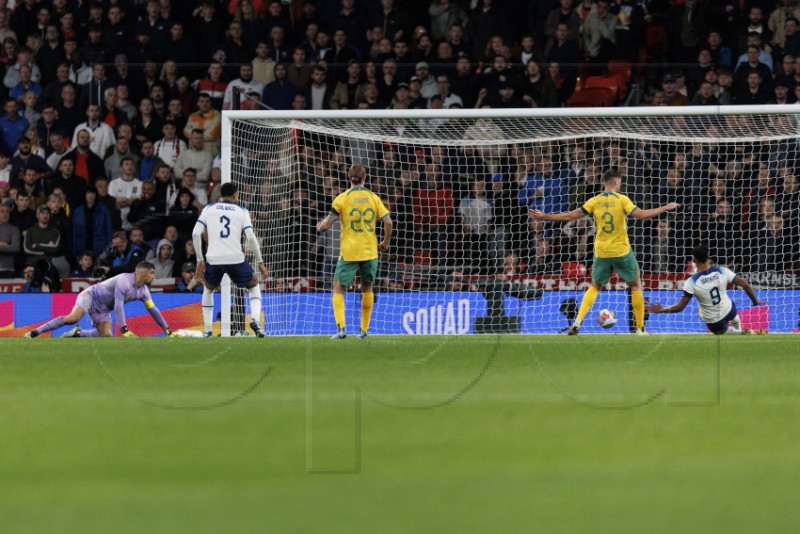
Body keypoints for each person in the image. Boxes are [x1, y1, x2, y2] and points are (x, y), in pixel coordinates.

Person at [530, 169, 679, 335]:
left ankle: (577, 323)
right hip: (621, 250)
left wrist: (545, 217)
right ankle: (640, 329)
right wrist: (667, 207)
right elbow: (642, 215)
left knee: (595, 286)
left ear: (604, 182)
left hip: (601, 252)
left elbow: (570, 216)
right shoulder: (622, 200)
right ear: (616, 182)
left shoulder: (594, 201)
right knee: (636, 284)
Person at [316, 164, 393, 340]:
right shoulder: (373, 197)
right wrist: (385, 243)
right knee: (367, 287)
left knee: (338, 288)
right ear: (364, 178)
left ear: (349, 177)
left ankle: (342, 329)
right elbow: (388, 222)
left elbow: (326, 225)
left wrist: (319, 227)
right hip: (369, 251)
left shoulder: (342, 198)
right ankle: (364, 331)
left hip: (350, 252)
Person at [192, 182, 268, 338]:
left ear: (220, 195)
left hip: (213, 258)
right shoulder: (242, 211)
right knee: (253, 286)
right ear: (235, 195)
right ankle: (254, 320)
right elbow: (251, 237)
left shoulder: (208, 209)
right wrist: (260, 262)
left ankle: (207, 330)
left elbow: (195, 233)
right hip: (235, 258)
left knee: (208, 289)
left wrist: (200, 259)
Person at [25, 261, 177, 338]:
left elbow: (153, 310)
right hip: (91, 296)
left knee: (107, 336)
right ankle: (35, 332)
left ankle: (78, 334)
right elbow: (118, 306)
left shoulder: (144, 292)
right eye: (151, 273)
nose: (153, 276)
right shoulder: (124, 280)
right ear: (142, 273)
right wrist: (124, 329)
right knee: (73, 318)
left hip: (103, 307)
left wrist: (167, 330)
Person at [647, 245, 767, 335]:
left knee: (728, 332)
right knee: (731, 311)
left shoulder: (691, 282)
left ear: (694, 261)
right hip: (730, 309)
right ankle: (739, 328)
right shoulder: (722, 271)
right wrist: (755, 301)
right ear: (709, 258)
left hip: (714, 322)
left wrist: (662, 310)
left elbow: (680, 307)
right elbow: (745, 285)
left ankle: (746, 333)